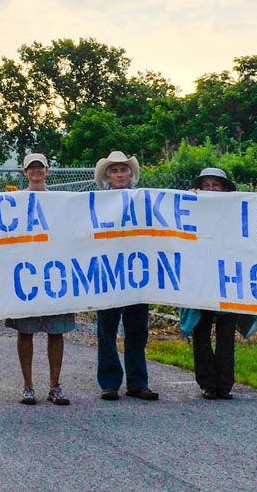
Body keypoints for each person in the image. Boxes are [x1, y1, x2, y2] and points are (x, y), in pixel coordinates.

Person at [179, 167, 257, 400]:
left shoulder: (236, 210)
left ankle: (224, 384)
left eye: (216, 185)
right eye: (207, 185)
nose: (211, 189)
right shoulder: (189, 207)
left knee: (226, 334)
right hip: (199, 279)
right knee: (201, 332)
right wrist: (188, 198)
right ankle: (207, 383)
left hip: (228, 280)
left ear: (224, 188)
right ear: (199, 188)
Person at [5, 153, 73, 406]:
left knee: (57, 331)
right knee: (26, 331)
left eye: (40, 167)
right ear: (24, 172)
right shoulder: (14, 201)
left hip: (55, 272)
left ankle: (55, 385)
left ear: (47, 170)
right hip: (25, 273)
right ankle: (28, 386)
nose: (36, 171)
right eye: (31, 167)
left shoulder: (60, 201)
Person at [93, 150, 159, 402]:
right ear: (107, 177)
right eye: (115, 170)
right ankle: (109, 383)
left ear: (131, 175)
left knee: (137, 329)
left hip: (138, 274)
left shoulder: (145, 201)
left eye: (124, 170)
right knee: (106, 329)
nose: (120, 174)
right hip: (107, 274)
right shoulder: (95, 204)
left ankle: (138, 382)